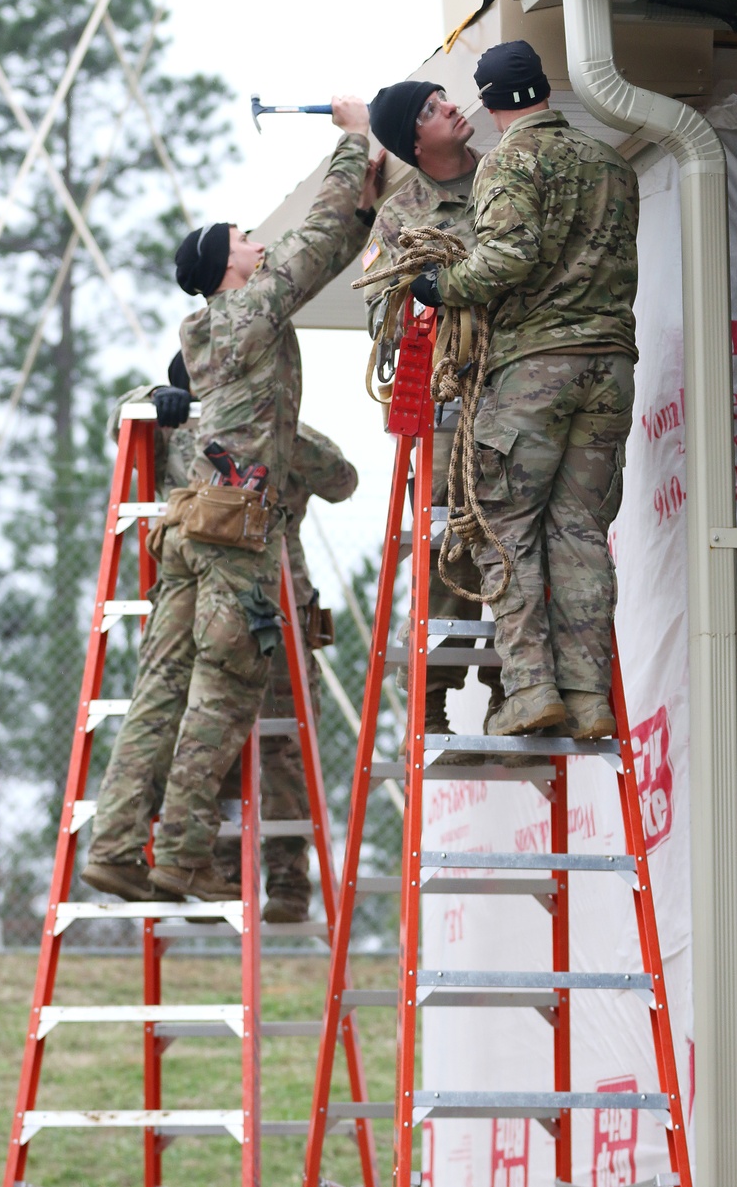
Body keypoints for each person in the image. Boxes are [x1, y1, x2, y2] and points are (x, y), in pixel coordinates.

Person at [83, 94, 381, 902]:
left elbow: (325, 247)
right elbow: (313, 245)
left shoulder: (217, 327)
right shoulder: (248, 310)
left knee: (159, 698)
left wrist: (367, 205)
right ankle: (181, 855)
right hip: (237, 541)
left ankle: (113, 844)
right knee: (220, 700)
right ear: (226, 269)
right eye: (246, 239)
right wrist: (353, 143)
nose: (259, 243)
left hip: (190, 535)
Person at [412, 41, 639, 740]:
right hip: (609, 365)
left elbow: (508, 257)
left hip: (535, 369)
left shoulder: (509, 161)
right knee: (579, 532)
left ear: (490, 101)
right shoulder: (610, 162)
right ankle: (588, 695)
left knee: (502, 530)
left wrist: (437, 286)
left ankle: (530, 689)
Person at [362, 81, 504, 734]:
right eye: (432, 107)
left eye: (447, 99)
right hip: (449, 399)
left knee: (517, 538)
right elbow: (380, 317)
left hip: (518, 387)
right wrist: (422, 301)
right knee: (451, 543)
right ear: (414, 141)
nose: (453, 107)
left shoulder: (508, 176)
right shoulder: (401, 217)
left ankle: (514, 686)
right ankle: (436, 694)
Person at [213, 422, 358, 921]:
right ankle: (222, 873)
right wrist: (153, 398)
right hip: (213, 607)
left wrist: (283, 428)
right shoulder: (194, 426)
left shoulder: (284, 430)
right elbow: (121, 427)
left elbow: (342, 480)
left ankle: (289, 882)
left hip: (281, 614)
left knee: (284, 752)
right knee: (212, 742)